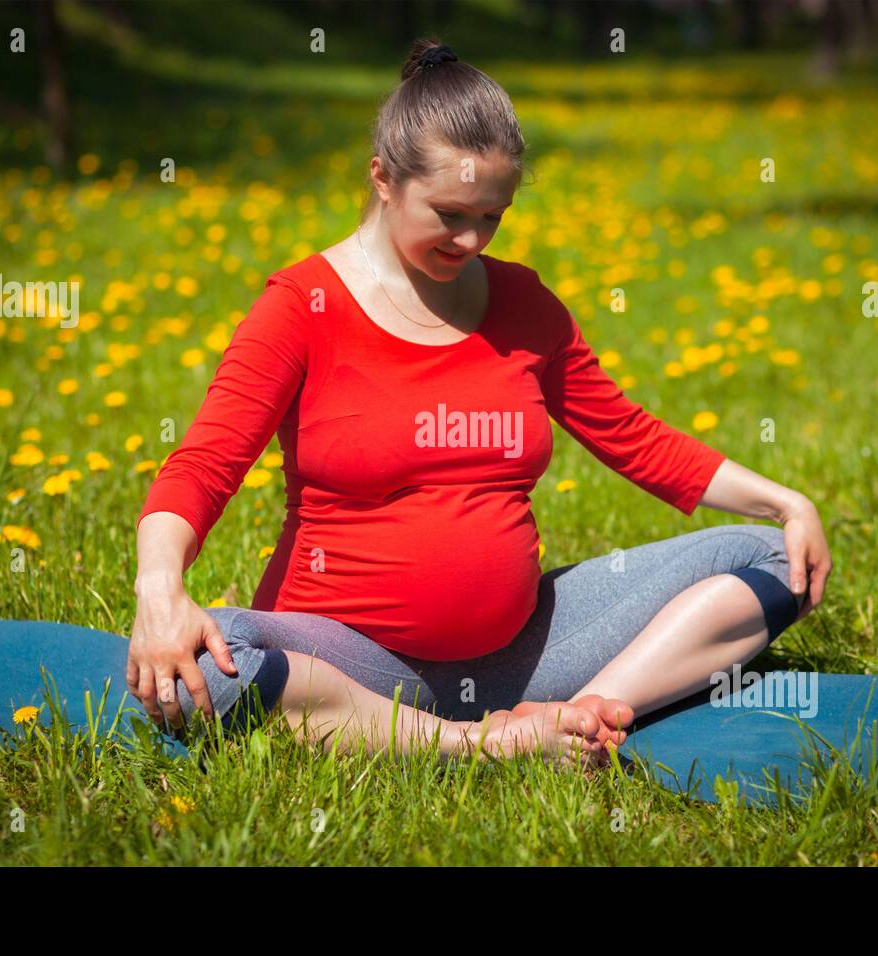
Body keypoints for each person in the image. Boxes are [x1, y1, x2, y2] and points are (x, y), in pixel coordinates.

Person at [129, 37, 832, 769]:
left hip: (521, 656)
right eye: (449, 213)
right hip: (346, 662)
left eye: (492, 217)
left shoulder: (523, 303)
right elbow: (205, 463)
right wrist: (160, 590)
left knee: (775, 560)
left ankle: (577, 714)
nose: (470, 239)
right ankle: (483, 746)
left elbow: (633, 438)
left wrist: (784, 503)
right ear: (383, 179)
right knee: (201, 671)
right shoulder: (301, 306)